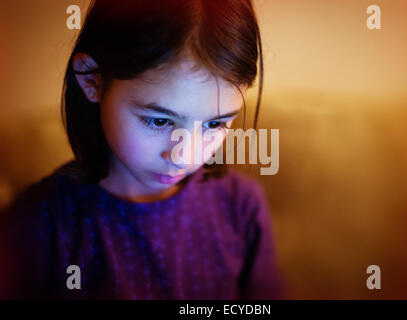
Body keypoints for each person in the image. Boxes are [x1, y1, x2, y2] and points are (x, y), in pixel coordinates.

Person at [0, 0, 284, 299]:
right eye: (160, 120)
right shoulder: (38, 223)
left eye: (214, 125)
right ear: (91, 80)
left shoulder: (242, 207)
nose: (185, 157)